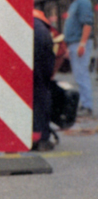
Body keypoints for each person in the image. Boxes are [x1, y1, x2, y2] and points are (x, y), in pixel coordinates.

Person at [64, 0, 94, 117]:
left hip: (79, 43)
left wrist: (82, 44)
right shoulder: (75, 3)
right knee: (79, 75)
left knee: (82, 74)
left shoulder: (83, 2)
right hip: (73, 44)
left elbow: (87, 24)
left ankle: (87, 106)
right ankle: (84, 104)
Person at [32, 10, 56, 151]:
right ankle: (43, 137)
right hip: (43, 40)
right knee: (42, 91)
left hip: (35, 40)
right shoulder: (39, 18)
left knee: (37, 93)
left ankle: (39, 136)